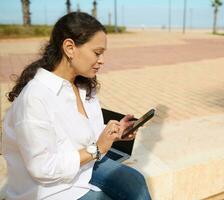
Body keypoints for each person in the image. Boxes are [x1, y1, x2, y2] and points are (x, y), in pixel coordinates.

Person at [2, 12, 151, 200]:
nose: (102, 60)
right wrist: (96, 149)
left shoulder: (83, 86)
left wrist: (115, 133)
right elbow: (43, 168)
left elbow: (88, 136)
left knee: (136, 182)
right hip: (51, 188)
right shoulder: (35, 98)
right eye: (97, 53)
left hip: (85, 167)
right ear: (70, 47)